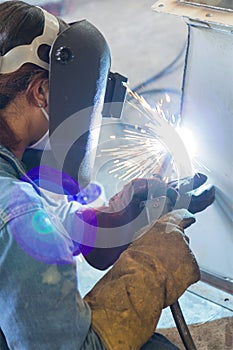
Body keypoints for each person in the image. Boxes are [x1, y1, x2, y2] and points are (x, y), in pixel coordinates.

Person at [0, 1, 215, 349]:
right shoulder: (17, 209)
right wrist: (150, 267)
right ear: (40, 91)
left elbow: (40, 228)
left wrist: (119, 216)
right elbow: (22, 223)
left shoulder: (13, 176)